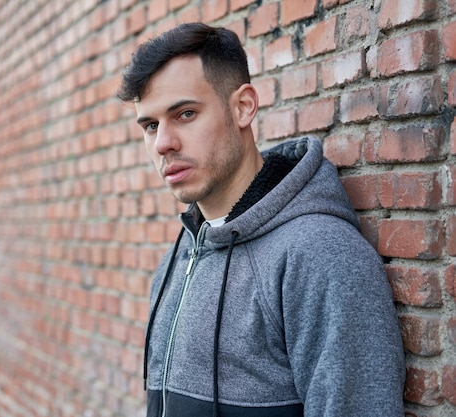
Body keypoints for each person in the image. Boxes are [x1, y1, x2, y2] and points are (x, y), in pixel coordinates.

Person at [117, 23, 405, 417]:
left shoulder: (319, 254)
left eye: (184, 114)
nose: (163, 143)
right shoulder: (181, 254)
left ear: (243, 107)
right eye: (150, 126)